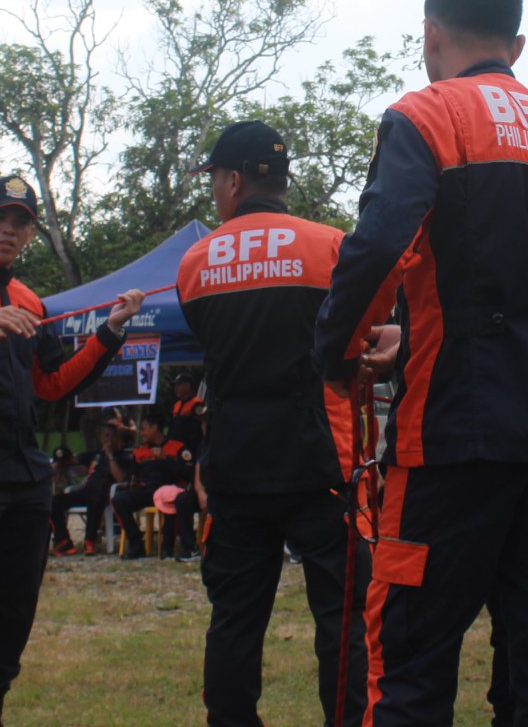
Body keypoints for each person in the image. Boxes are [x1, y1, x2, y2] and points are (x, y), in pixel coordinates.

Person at [314, 0, 528, 725]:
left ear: (430, 33)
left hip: (456, 433)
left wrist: (338, 351)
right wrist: (414, 334)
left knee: (413, 659)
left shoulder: (427, 114)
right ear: (515, 45)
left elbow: (380, 243)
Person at [0, 176, 143, 727]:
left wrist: (109, 332)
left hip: (23, 474)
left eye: (21, 223)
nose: (8, 231)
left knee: (13, 606)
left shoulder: (30, 299)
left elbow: (54, 384)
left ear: (31, 232)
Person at [177, 118, 372, 727]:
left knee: (235, 618)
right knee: (342, 620)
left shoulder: (194, 262)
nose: (214, 189)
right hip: (323, 463)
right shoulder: (334, 247)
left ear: (234, 180)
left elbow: (212, 346)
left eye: (214, 178)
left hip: (234, 468)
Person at [112, 412, 197, 560]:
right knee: (119, 499)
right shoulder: (139, 452)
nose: (141, 433)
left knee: (169, 498)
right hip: (147, 491)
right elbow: (132, 476)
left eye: (144, 428)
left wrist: (166, 460)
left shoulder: (177, 447)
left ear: (155, 428)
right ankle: (136, 542)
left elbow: (189, 472)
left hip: (169, 490)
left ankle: (167, 547)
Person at [51, 421, 133, 555]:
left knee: (95, 500)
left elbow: (120, 478)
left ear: (117, 437)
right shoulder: (95, 454)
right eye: (105, 436)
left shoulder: (122, 456)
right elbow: (72, 459)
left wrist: (110, 455)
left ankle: (90, 542)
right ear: (101, 438)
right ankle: (64, 542)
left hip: (105, 492)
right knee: (54, 501)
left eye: (111, 436)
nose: (108, 440)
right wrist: (59, 462)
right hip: (86, 490)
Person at [168, 372, 207, 453]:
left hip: (189, 450)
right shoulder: (176, 404)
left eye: (178, 385)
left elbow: (197, 431)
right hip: (174, 448)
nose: (175, 388)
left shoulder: (197, 404)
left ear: (187, 386)